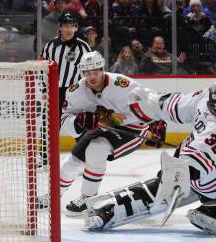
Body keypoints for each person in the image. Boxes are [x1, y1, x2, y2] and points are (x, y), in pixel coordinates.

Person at [84, 82, 216, 236]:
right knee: (172, 180)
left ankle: (109, 211)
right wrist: (144, 109)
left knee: (164, 187)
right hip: (212, 163)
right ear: (213, 106)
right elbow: (174, 105)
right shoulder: (205, 99)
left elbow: (194, 165)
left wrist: (176, 175)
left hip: (210, 176)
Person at [56, 51, 164, 215]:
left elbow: (149, 98)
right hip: (105, 127)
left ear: (102, 69)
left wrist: (158, 120)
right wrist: (77, 122)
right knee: (75, 157)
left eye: (96, 72)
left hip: (132, 128)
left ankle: (88, 197)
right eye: (88, 73)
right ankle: (53, 195)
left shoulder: (122, 84)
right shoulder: (76, 90)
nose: (92, 77)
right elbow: (65, 117)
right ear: (82, 73)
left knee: (96, 148)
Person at [42, 12, 92, 115]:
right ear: (60, 27)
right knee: (51, 122)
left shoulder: (84, 47)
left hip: (75, 91)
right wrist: (43, 89)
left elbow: (90, 70)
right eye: (65, 26)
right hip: (53, 91)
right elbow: (43, 69)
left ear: (76, 28)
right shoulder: (50, 45)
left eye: (72, 26)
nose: (69, 30)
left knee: (71, 123)